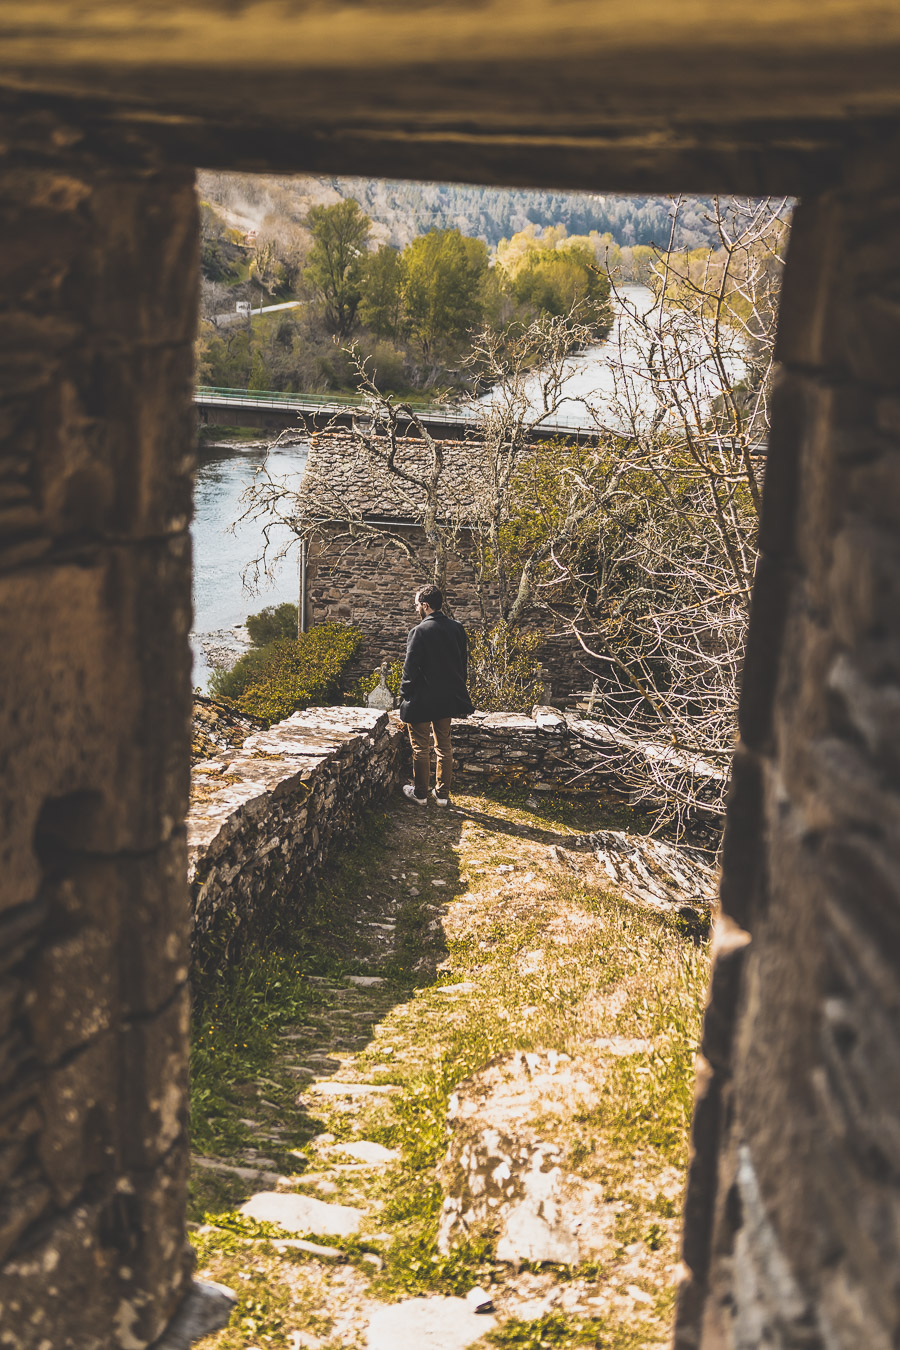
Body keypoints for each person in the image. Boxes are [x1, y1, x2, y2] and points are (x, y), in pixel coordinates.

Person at [399, 584, 474, 806]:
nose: (416, 610)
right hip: (447, 699)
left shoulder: (419, 631)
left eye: (416, 605)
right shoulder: (457, 628)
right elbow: (462, 665)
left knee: (421, 748)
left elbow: (409, 670)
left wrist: (405, 694)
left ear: (425, 605)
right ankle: (442, 795)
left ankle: (421, 794)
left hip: (421, 700)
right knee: (444, 747)